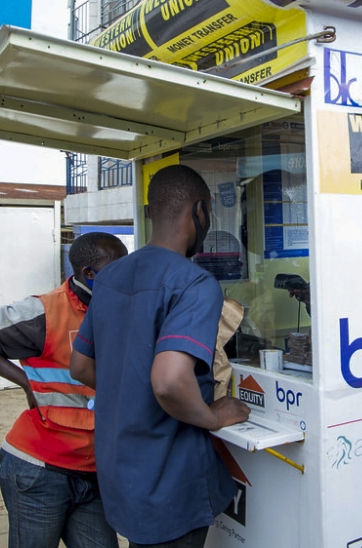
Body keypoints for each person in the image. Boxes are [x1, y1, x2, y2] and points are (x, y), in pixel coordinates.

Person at [70, 164, 251, 548]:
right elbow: (169, 381)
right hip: (170, 484)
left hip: (123, 477)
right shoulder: (195, 283)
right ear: (200, 212)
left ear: (152, 212)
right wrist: (212, 416)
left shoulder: (111, 277)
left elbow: (81, 365)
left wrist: (133, 389)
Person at [0, 232, 128, 548]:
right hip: (38, 472)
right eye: (119, 269)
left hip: (93, 472)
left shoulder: (121, 311)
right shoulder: (44, 313)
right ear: (89, 273)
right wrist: (24, 381)